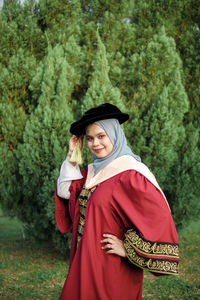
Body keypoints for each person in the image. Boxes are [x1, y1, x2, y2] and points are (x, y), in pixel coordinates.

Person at [55, 103, 179, 300]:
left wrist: (129, 249)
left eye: (101, 136)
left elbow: (159, 219)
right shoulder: (94, 172)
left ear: (115, 135)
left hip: (111, 268)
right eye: (90, 138)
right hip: (84, 261)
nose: (95, 143)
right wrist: (72, 155)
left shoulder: (130, 173)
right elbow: (65, 192)